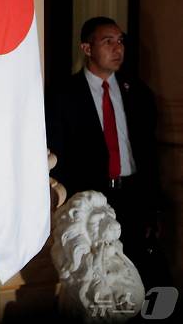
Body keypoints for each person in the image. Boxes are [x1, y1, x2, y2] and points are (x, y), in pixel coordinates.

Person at [46, 16, 166, 287]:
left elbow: (148, 152)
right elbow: (58, 153)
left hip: (133, 195)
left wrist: (154, 206)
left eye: (120, 41)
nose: (117, 48)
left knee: (137, 274)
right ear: (87, 48)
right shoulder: (63, 95)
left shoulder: (137, 93)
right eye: (107, 41)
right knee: (97, 279)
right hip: (90, 201)